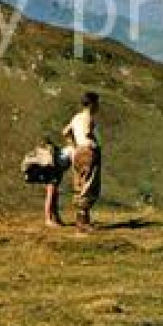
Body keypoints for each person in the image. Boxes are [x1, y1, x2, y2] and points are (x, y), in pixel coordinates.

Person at [62, 91, 102, 230]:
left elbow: (65, 131)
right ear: (91, 104)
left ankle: (82, 219)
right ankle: (83, 221)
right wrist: (93, 142)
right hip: (88, 151)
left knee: (79, 184)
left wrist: (72, 145)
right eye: (97, 103)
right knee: (89, 184)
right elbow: (87, 133)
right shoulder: (88, 118)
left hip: (77, 151)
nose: (98, 106)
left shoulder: (76, 117)